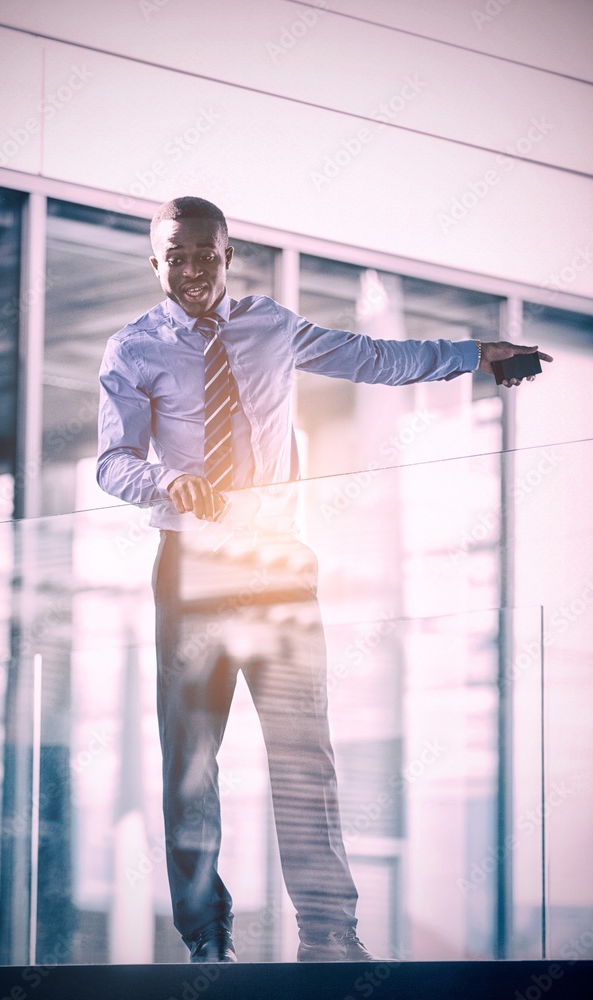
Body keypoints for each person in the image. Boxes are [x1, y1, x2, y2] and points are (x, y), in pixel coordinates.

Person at [97, 196, 552, 963]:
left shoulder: (270, 326)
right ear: (156, 263)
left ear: (227, 255)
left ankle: (329, 938)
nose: (192, 267)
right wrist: (166, 481)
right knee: (190, 765)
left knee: (306, 758)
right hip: (191, 569)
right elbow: (112, 463)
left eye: (205, 252)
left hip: (277, 563)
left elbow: (374, 358)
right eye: (176, 255)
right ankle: (206, 942)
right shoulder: (132, 349)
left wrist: (479, 353)